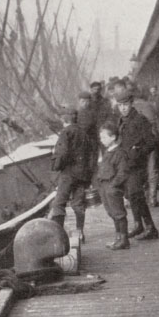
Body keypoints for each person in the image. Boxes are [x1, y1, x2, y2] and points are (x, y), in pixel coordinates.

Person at [113, 86, 159, 240]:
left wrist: (138, 151)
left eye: (125, 105)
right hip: (125, 165)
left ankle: (150, 227)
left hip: (136, 165)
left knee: (135, 194)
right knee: (133, 196)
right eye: (120, 105)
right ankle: (139, 225)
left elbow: (153, 141)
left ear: (131, 103)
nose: (123, 108)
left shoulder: (140, 119)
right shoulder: (121, 120)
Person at [48, 106, 91, 244]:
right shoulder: (83, 132)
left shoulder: (65, 133)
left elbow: (62, 153)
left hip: (68, 174)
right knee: (78, 204)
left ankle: (58, 237)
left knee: (59, 204)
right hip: (82, 173)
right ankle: (80, 232)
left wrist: (56, 166)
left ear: (63, 119)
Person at [96, 121, 131, 250]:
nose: (102, 140)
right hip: (104, 187)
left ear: (113, 137)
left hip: (112, 187)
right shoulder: (107, 152)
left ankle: (124, 239)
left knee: (119, 213)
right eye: (101, 137)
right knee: (111, 212)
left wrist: (113, 185)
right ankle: (118, 238)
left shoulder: (119, 153)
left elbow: (123, 173)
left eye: (104, 137)